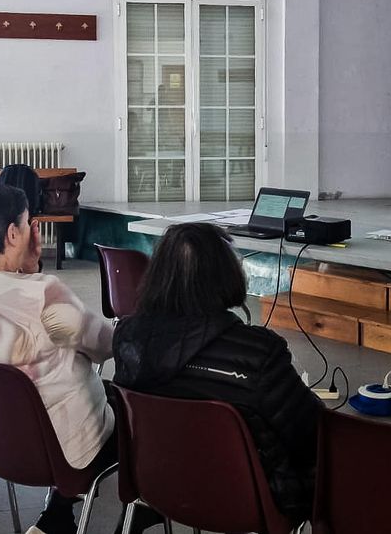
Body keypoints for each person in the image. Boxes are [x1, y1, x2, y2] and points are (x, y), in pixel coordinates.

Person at [0, 183, 157, 534]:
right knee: (139, 407)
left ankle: (58, 516)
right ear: (12, 233)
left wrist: (27, 273)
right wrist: (35, 279)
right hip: (64, 448)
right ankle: (137, 512)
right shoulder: (43, 294)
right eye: (26, 222)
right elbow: (107, 346)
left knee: (63, 390)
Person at [113, 222, 322, 525]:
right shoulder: (259, 353)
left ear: (158, 274)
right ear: (225, 274)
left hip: (159, 487)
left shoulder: (128, 338)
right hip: (252, 500)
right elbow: (312, 434)